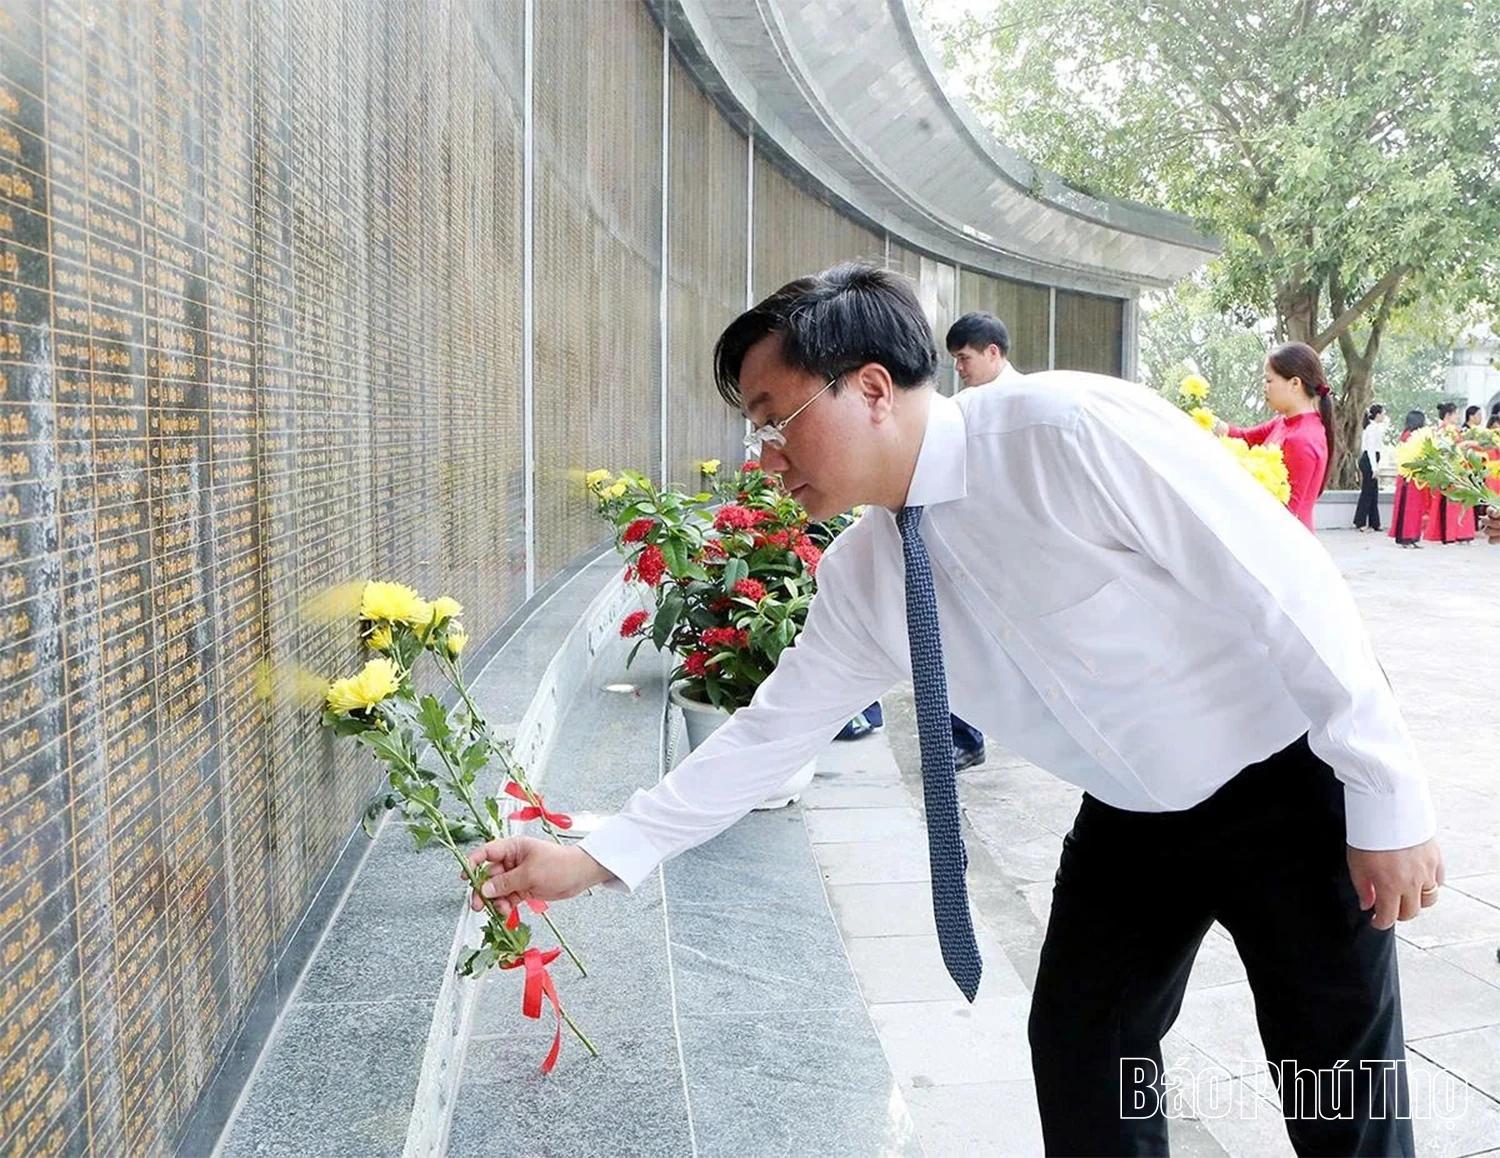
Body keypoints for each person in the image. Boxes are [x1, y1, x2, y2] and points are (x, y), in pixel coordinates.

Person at [471, 265, 1440, 1157]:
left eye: (774, 418)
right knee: (1082, 1053)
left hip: (1291, 790)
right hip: (1133, 817)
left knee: (1335, 1084)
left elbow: (1290, 592)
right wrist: (596, 857)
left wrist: (1387, 802)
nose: (763, 455)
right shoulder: (867, 571)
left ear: (871, 387)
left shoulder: (1070, 433)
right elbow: (773, 731)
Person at [1215, 343, 1335, 531]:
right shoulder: (1284, 422)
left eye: (1269, 380)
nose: (1264, 387)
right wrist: (1204, 421)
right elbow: (1243, 438)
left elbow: (1287, 513)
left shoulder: (1302, 439)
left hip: (1286, 543)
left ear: (1295, 383)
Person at [1423, 403, 1476, 544]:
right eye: (1456, 413)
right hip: (1451, 471)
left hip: (1458, 470)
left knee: (1461, 501)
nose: (1458, 416)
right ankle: (1452, 534)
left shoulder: (1451, 430)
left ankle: (1462, 534)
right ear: (1448, 415)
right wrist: (1465, 444)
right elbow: (1447, 450)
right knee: (1452, 502)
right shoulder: (1443, 431)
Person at [946, 311, 1021, 389]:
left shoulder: (1024, 395)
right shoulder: (963, 399)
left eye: (964, 358)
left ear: (992, 353)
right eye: (956, 358)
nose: (958, 367)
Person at [1388, 410, 1428, 548]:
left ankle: (1413, 537)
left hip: (1416, 476)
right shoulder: (1408, 436)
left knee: (1416, 509)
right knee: (1408, 508)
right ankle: (1406, 537)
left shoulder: (1414, 436)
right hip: (1408, 477)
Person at [1353, 403, 1387, 532]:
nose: (1384, 416)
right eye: (1383, 413)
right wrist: (1374, 468)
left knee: (1373, 492)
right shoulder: (1372, 429)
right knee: (1367, 492)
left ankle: (1375, 522)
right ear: (1377, 414)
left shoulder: (1373, 428)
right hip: (1369, 460)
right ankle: (1360, 522)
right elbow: (1371, 449)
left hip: (1371, 459)